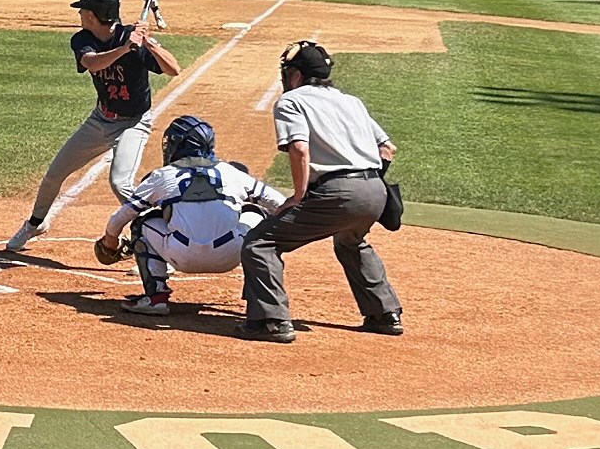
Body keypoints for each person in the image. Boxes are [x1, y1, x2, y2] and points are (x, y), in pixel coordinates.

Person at [238, 40, 403, 343]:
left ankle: (271, 321)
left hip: (336, 194)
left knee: (260, 242)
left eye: (286, 72)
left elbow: (300, 148)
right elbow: (386, 149)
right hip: (374, 192)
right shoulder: (351, 101)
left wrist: (299, 196)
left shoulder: (292, 101)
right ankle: (384, 314)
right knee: (351, 242)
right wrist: (366, 186)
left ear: (297, 75)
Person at [3, 0, 180, 252]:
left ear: (93, 16)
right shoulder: (82, 40)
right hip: (100, 119)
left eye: (82, 11)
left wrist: (149, 44)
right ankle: (35, 223)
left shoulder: (133, 38)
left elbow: (173, 69)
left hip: (133, 122)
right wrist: (124, 49)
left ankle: (158, 241)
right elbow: (93, 63)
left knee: (120, 182)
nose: (79, 15)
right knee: (55, 173)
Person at [95, 115, 285, 316]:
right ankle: (255, 299)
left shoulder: (162, 175)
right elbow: (279, 204)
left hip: (181, 256)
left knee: (142, 223)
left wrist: (110, 242)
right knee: (257, 214)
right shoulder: (231, 172)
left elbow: (122, 216)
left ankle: (155, 298)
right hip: (230, 255)